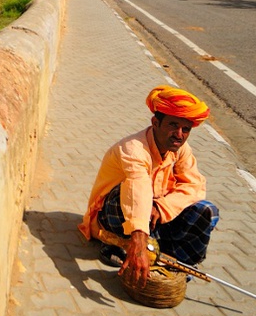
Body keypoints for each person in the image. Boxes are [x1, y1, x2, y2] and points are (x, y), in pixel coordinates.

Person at [77, 85, 219, 288]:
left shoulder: (180, 149)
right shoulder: (133, 148)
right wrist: (139, 240)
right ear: (155, 123)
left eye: (185, 129)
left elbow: (195, 185)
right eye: (173, 125)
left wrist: (162, 207)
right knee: (126, 192)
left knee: (206, 211)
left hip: (154, 216)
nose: (179, 134)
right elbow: (138, 189)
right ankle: (131, 245)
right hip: (115, 217)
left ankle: (172, 260)